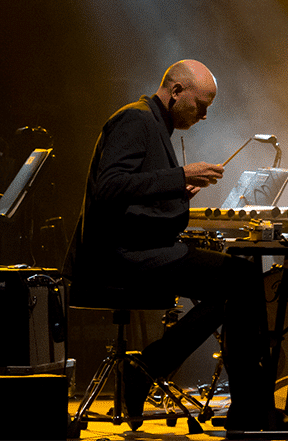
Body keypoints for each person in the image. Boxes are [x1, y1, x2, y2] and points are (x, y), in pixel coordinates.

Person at [67, 60, 273, 431]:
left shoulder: (152, 123)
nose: (205, 115)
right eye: (201, 105)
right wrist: (179, 175)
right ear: (176, 91)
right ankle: (243, 406)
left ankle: (240, 404)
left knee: (237, 280)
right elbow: (110, 187)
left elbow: (137, 188)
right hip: (119, 256)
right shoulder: (136, 120)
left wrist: (177, 187)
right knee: (241, 277)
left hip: (137, 250)